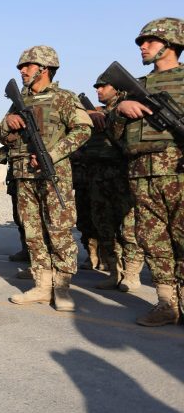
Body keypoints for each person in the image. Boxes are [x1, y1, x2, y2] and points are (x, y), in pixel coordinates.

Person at [0, 46, 92, 311]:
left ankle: (61, 286)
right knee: (33, 231)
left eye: (27, 66)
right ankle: (41, 285)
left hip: (54, 176)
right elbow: (3, 137)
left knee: (59, 230)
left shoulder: (64, 97)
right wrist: (9, 123)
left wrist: (53, 154)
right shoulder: (18, 101)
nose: (22, 70)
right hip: (24, 175)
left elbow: (84, 129)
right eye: (21, 66)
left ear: (45, 68)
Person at [109, 17, 184, 326]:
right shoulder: (135, 88)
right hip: (141, 172)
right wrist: (119, 110)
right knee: (152, 239)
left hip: (178, 171)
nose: (143, 46)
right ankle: (167, 302)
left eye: (150, 41)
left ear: (171, 45)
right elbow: (115, 135)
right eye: (141, 42)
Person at [81, 77, 140, 290]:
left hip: (121, 173)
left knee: (128, 227)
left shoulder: (126, 107)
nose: (98, 90)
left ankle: (132, 274)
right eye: (96, 86)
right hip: (97, 174)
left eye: (103, 86)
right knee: (103, 225)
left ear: (117, 89)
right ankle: (115, 272)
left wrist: (106, 115)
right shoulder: (94, 111)